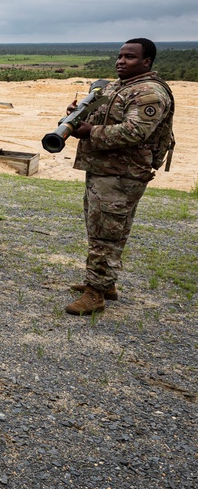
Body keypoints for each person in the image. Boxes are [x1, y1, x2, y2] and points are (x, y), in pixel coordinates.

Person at [65, 38, 175, 315]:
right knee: (103, 229)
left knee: (106, 234)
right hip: (105, 170)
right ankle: (104, 283)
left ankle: (95, 293)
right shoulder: (120, 87)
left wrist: (90, 132)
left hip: (123, 174)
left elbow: (135, 131)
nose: (121, 61)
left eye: (130, 57)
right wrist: (78, 115)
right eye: (120, 56)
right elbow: (106, 117)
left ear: (146, 62)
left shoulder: (148, 92)